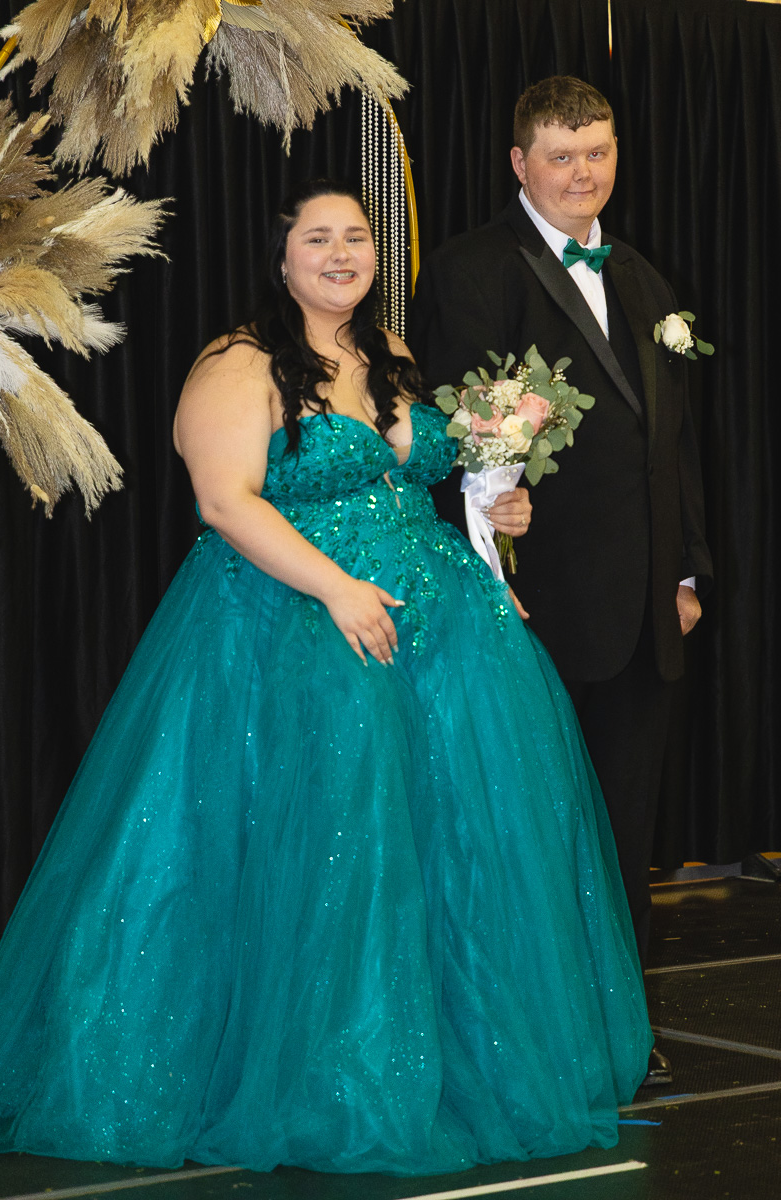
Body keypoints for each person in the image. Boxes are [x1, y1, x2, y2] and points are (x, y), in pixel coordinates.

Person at [0, 179, 652, 1174]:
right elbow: (225, 501)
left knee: (442, 853)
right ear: (281, 256)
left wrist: (494, 510)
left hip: (437, 637)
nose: (342, 254)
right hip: (294, 633)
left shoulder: (391, 354)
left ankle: (437, 1062)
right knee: (331, 851)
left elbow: (414, 479)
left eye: (356, 238)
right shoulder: (238, 362)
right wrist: (336, 588)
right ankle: (324, 1074)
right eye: (318, 239)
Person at [409, 77, 713, 1084]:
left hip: (643, 609)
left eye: (598, 152)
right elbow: (449, 436)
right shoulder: (471, 269)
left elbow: (671, 441)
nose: (584, 173)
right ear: (518, 163)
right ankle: (523, 1040)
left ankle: (620, 1038)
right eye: (561, 156)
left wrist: (685, 569)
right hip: (527, 606)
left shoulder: (643, 276)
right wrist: (487, 555)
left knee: (622, 834)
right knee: (524, 829)